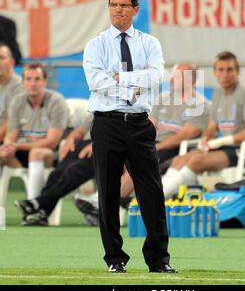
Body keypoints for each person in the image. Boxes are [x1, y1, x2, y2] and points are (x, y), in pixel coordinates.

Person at [83, 0, 177, 274]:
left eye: (124, 5)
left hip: (139, 125)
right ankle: (114, 259)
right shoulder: (96, 44)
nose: (118, 10)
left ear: (135, 9)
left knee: (152, 192)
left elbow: (156, 77)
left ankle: (158, 260)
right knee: (108, 194)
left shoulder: (150, 43)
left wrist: (119, 78)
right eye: (113, 4)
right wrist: (133, 86)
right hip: (106, 124)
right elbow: (95, 82)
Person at [75, 62, 211, 225]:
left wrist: (152, 147)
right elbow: (149, 125)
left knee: (138, 160)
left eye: (178, 77)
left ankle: (100, 202)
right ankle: (103, 208)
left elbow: (183, 136)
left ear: (191, 80)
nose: (173, 80)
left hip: (175, 150)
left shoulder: (201, 104)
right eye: (173, 76)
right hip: (152, 145)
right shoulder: (162, 98)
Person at [161, 51, 245, 200]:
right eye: (221, 70)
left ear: (237, 71)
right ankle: (160, 197)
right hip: (227, 148)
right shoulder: (218, 93)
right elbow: (212, 129)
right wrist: (206, 139)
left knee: (196, 161)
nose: (225, 74)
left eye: (230, 69)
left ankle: (157, 201)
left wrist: (221, 141)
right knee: (179, 160)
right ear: (215, 73)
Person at [0, 62, 70, 220]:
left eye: (37, 79)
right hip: (21, 152)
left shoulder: (56, 101)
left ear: (45, 81)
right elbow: (12, 133)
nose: (33, 83)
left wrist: (16, 144)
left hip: (51, 155)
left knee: (36, 152)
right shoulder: (17, 101)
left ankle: (32, 209)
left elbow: (52, 141)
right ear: (23, 82)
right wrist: (8, 145)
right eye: (29, 79)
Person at [14, 110, 94, 226]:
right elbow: (79, 132)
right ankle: (41, 213)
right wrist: (70, 139)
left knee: (73, 172)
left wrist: (97, 144)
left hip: (106, 149)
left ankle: (37, 204)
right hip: (84, 146)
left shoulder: (123, 111)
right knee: (56, 174)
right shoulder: (97, 109)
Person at [0, 42, 24, 142]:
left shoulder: (20, 86)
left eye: (1, 58)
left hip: (12, 141)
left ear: (12, 63)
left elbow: (11, 122)